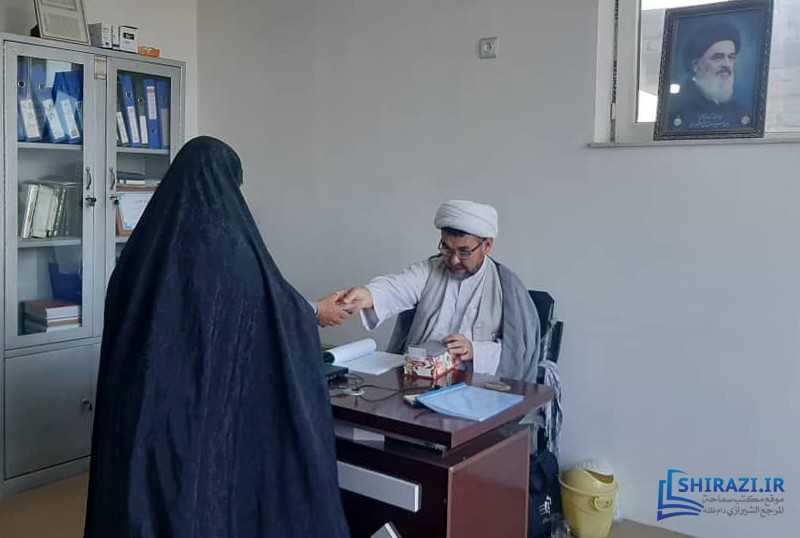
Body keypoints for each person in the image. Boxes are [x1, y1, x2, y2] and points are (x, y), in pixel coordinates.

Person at [84, 137, 350, 538]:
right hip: (195, 412)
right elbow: (270, 308)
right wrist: (315, 311)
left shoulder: (141, 249)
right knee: (193, 498)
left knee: (143, 498)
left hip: (139, 412)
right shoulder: (228, 247)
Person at [334, 199, 542, 382]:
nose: (454, 260)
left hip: (479, 388)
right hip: (418, 379)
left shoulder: (507, 286)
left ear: (486, 246)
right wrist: (367, 295)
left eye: (464, 252)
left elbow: (519, 353)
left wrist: (474, 350)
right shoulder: (430, 270)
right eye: (447, 249)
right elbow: (395, 287)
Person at [667, 22, 752, 132]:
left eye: (731, 57)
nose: (727, 64)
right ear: (695, 65)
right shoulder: (676, 108)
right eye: (718, 57)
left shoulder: (742, 112)